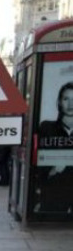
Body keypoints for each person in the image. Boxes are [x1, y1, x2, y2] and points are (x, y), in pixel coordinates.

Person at [34, 81, 73, 213]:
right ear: (60, 102)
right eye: (66, 99)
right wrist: (52, 171)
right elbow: (38, 158)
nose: (70, 104)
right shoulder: (47, 127)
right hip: (53, 192)